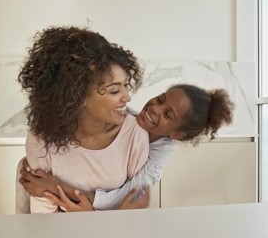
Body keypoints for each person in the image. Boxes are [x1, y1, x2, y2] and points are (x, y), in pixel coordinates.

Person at [20, 83, 235, 211]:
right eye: (160, 99)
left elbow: (124, 198)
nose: (155, 109)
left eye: (168, 114)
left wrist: (62, 189)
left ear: (176, 134)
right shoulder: (119, 116)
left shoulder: (159, 154)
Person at [18, 25, 153, 213]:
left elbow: (136, 210)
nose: (127, 98)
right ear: (78, 96)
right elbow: (44, 218)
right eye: (115, 90)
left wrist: (89, 215)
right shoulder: (41, 138)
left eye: (125, 86)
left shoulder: (134, 134)